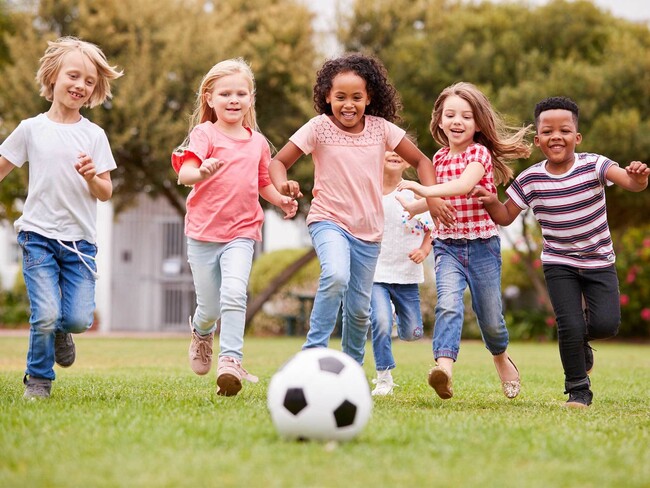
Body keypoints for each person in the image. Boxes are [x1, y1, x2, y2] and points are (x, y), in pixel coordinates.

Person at [268, 52, 451, 365]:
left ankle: (351, 367)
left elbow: (422, 160)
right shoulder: (318, 128)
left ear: (369, 98)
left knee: (357, 308)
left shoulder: (382, 129)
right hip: (328, 220)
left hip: (368, 231)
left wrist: (432, 198)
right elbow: (277, 162)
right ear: (327, 97)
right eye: (340, 97)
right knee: (336, 274)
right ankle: (313, 353)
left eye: (356, 97)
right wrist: (283, 185)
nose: (348, 104)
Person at [471, 96, 649, 408]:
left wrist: (637, 179)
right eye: (548, 131)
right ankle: (578, 391)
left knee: (607, 325)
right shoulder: (530, 179)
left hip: (599, 261)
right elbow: (505, 216)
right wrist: (489, 201)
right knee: (569, 325)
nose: (557, 136)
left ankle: (582, 343)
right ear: (538, 140)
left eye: (565, 130)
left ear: (577, 138)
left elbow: (629, 183)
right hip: (559, 263)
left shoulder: (595, 165)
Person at [0, 37, 123, 399]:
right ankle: (38, 379)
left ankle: (61, 332)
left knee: (77, 319)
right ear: (52, 77)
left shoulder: (94, 135)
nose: (80, 85)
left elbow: (106, 192)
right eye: (74, 75)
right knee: (45, 313)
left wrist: (91, 176)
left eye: (89, 81)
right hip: (37, 236)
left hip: (80, 243)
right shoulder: (31, 128)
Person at [171, 58, 297, 397]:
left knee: (234, 293)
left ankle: (230, 361)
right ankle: (201, 332)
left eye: (241, 93)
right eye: (225, 93)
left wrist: (281, 200)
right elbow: (185, 175)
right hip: (202, 233)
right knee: (210, 306)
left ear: (251, 99)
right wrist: (203, 172)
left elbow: (262, 184)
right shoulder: (204, 133)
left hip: (242, 232)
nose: (233, 99)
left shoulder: (257, 142)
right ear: (209, 98)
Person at [398, 81, 531, 400]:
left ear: (477, 123)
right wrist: (413, 205)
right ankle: (444, 369)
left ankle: (501, 359)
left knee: (491, 319)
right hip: (448, 246)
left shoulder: (479, 154)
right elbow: (439, 200)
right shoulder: (439, 159)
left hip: (483, 246)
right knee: (448, 305)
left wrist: (424, 191)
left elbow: (462, 185)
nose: (457, 121)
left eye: (466, 116)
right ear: (439, 120)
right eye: (451, 115)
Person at [369, 149, 432, 396]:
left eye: (400, 151)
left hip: (406, 275)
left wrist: (424, 251)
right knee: (381, 322)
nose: (394, 153)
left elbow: (430, 228)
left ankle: (395, 319)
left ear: (407, 160)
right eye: (388, 150)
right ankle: (383, 378)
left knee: (413, 332)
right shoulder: (369, 191)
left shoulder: (414, 193)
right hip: (376, 273)